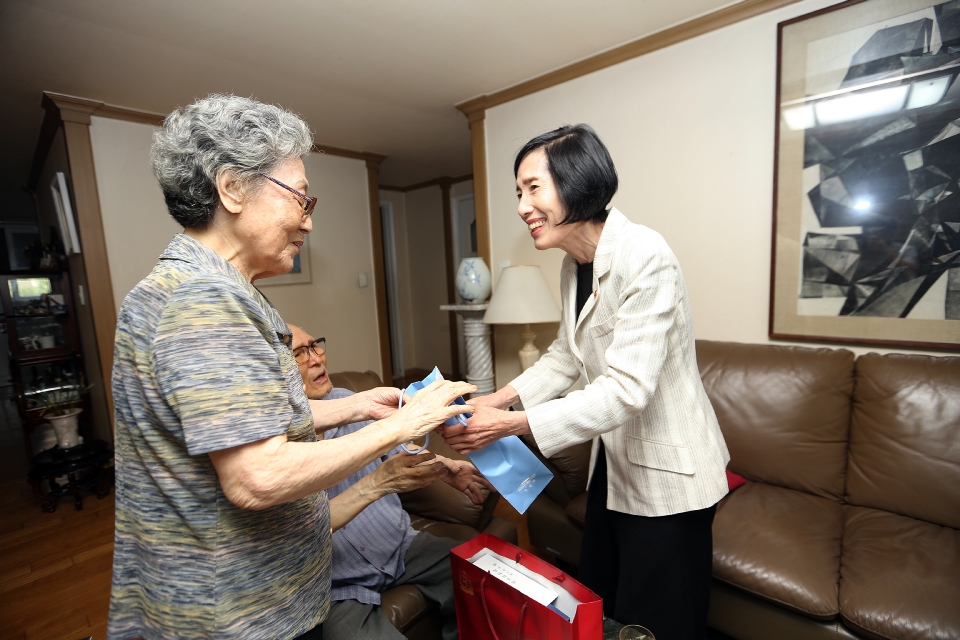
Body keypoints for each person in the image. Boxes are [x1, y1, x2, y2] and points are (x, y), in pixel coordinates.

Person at [108, 94, 475, 640]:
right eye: (300, 198)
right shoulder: (204, 299)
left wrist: (354, 405)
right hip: (237, 610)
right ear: (231, 188)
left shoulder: (200, 288)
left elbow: (242, 422)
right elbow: (258, 477)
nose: (307, 222)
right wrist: (406, 422)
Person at [441, 124, 730, 640]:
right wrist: (497, 398)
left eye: (533, 188)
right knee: (600, 601)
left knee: (658, 622)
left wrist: (509, 425)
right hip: (615, 466)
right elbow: (564, 356)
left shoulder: (645, 254)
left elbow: (626, 389)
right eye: (518, 192)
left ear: (577, 182)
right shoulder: (574, 265)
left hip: (668, 477)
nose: (522, 205)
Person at [290, 325, 491, 640]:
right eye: (298, 353)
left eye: (315, 346)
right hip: (337, 583)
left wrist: (446, 466)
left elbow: (402, 450)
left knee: (483, 577)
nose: (316, 358)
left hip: (399, 545)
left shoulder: (351, 401)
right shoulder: (274, 447)